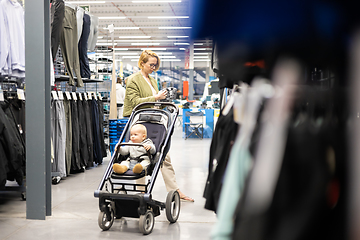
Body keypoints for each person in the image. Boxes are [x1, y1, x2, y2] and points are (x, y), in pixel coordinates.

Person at [123, 49, 194, 202]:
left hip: (154, 122)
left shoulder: (152, 79)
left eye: (155, 65)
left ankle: (175, 190)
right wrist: (155, 97)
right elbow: (134, 102)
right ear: (142, 63)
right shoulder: (133, 79)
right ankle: (140, 192)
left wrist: (164, 102)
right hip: (139, 124)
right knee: (140, 155)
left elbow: (155, 102)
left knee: (163, 156)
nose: (153, 68)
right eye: (151, 65)